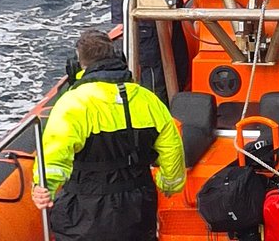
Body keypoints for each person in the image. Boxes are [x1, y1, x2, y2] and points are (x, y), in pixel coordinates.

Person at [32, 29, 185, 241]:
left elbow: (54, 154)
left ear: (78, 65)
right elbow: (172, 150)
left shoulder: (72, 103)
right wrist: (169, 184)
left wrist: (43, 187)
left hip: (84, 213)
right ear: (118, 59)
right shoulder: (149, 100)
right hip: (138, 207)